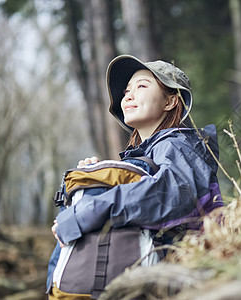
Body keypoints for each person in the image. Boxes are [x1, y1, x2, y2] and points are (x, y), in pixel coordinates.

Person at [46, 54, 223, 298]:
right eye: (127, 90)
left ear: (171, 101)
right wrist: (99, 178)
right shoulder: (152, 153)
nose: (128, 95)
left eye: (141, 86)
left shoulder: (179, 144)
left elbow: (170, 194)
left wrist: (85, 213)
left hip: (180, 283)